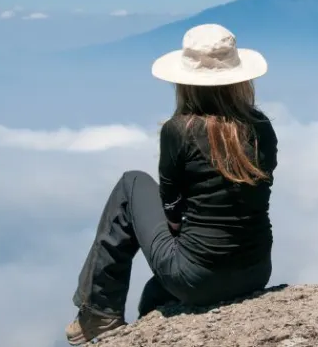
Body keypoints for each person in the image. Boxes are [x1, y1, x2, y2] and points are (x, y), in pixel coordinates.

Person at [66, 23, 278, 345]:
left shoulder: (180, 130)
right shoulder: (261, 127)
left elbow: (172, 206)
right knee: (155, 295)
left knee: (131, 184)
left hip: (196, 277)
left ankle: (99, 311)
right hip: (256, 270)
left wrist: (181, 237)